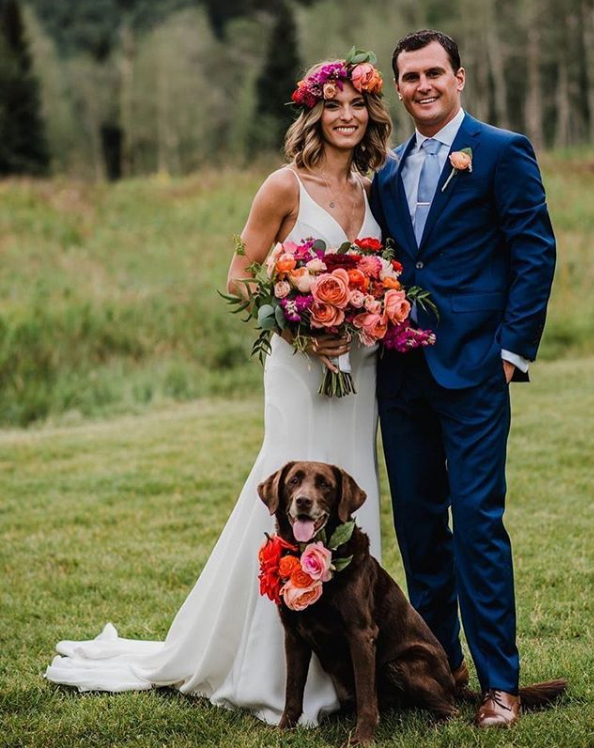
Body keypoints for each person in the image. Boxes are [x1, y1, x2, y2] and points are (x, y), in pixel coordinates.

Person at [45, 52, 393, 726]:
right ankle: (266, 663)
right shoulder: (282, 186)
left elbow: (380, 275)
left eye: (358, 105)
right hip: (298, 369)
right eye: (334, 104)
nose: (346, 116)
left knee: (353, 496)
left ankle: (347, 665)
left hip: (360, 370)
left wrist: (366, 310)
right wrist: (303, 328)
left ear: (371, 114)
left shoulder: (371, 186)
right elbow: (240, 277)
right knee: (284, 492)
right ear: (313, 111)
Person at [370, 29, 556, 727]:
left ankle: (500, 684)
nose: (421, 86)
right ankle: (440, 666)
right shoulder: (386, 171)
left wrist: (513, 351)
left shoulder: (501, 152)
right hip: (401, 370)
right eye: (409, 76)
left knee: (477, 523)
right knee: (420, 526)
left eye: (433, 73)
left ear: (460, 78)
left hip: (476, 366)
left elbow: (534, 250)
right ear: (399, 86)